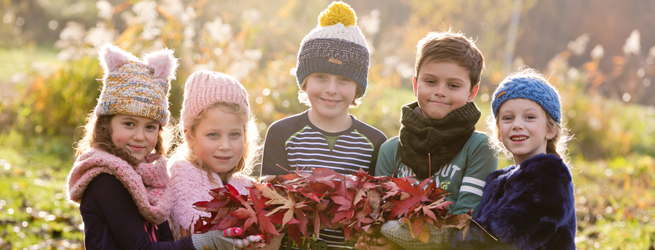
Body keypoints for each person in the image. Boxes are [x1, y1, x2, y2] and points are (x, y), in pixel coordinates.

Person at [66, 44, 264, 250]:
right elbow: (141, 247)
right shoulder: (106, 180)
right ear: (106, 124)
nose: (140, 137)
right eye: (129, 123)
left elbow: (166, 241)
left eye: (150, 127)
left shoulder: (149, 176)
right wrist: (208, 242)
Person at [259, 2, 387, 249]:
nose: (331, 89)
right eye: (320, 77)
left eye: (344, 79)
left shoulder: (375, 142)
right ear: (304, 81)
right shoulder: (282, 133)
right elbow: (272, 204)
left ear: (358, 88)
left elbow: (375, 209)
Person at [359, 31, 498, 250]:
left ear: (472, 92)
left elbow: (463, 222)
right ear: (415, 84)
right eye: (431, 81)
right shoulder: (390, 150)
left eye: (453, 85)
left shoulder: (479, 148)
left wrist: (397, 243)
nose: (440, 92)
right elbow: (378, 217)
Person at [450, 67, 576, 249]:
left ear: (550, 129)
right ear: (499, 132)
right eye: (508, 118)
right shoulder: (498, 179)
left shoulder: (550, 177)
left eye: (529, 117)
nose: (517, 125)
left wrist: (449, 237)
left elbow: (504, 237)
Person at [168, 71, 283, 249]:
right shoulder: (181, 176)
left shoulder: (248, 185)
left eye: (234, 135)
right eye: (213, 135)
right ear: (190, 136)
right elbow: (194, 228)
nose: (225, 145)